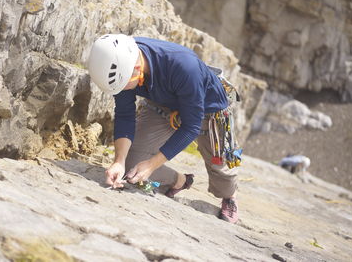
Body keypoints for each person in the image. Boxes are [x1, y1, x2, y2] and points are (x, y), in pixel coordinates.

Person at [87, 34, 239, 223]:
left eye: (124, 86)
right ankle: (180, 181)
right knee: (131, 166)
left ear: (137, 69)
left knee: (220, 168)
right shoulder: (121, 64)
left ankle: (229, 196)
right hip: (163, 101)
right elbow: (125, 115)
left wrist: (152, 164)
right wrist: (119, 160)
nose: (122, 91)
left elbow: (191, 127)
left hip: (208, 108)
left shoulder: (184, 66)